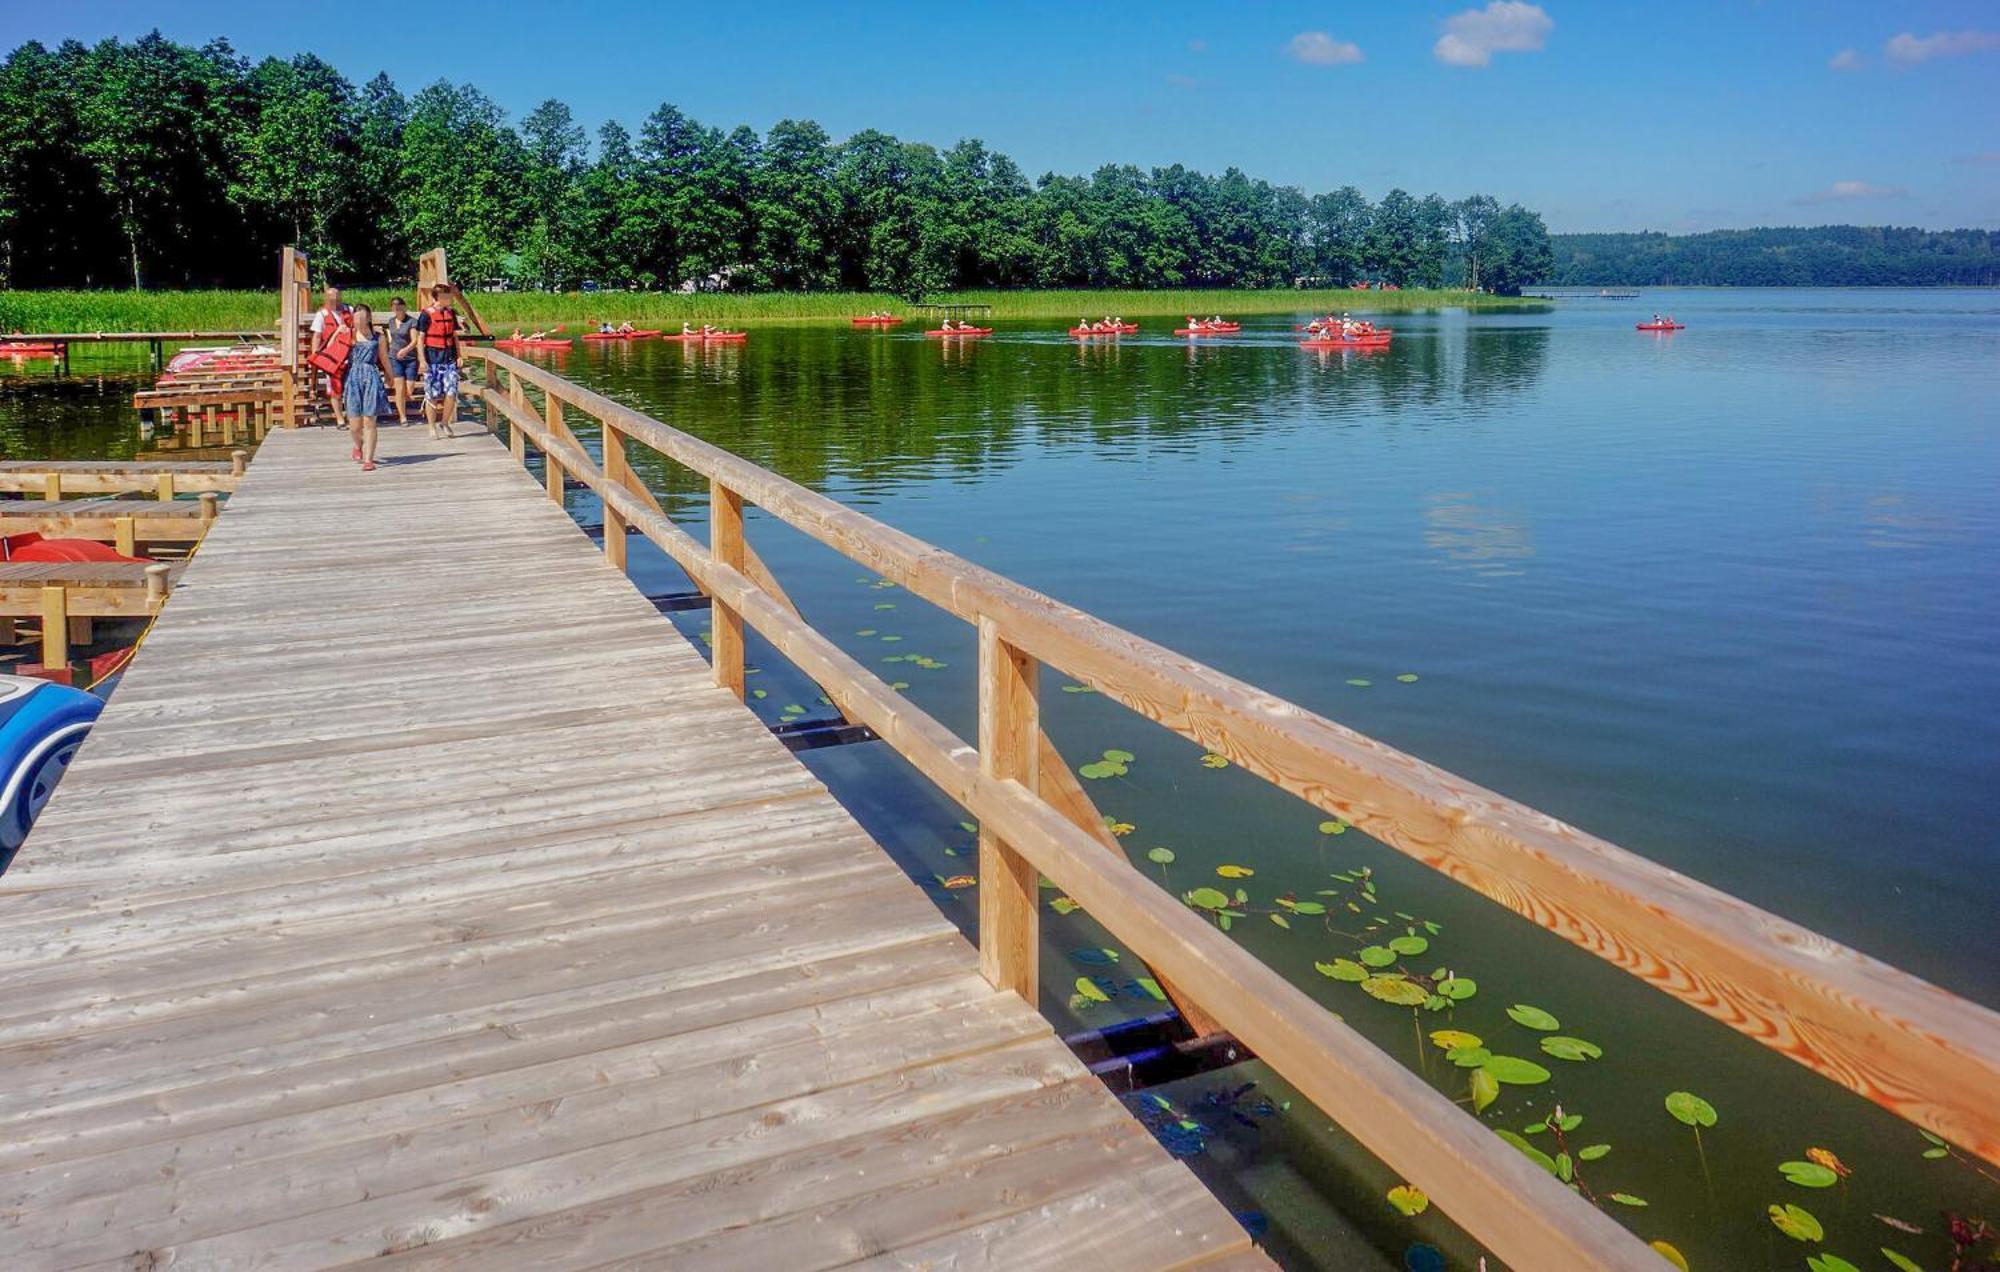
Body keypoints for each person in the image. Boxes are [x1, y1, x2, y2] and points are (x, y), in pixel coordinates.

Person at [343, 305, 394, 471]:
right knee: (355, 425)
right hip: (353, 378)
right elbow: (330, 349)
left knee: (370, 421)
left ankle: (368, 459)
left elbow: (384, 358)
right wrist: (338, 333)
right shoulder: (349, 334)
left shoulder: (378, 337)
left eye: (363, 318)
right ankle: (358, 445)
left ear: (369, 318)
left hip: (371, 376)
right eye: (357, 318)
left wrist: (390, 376)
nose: (359, 321)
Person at [414, 283, 462, 440]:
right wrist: (422, 360)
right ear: (438, 298)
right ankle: (431, 426)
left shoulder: (451, 313)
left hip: (448, 358)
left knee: (451, 392)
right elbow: (420, 339)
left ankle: (445, 422)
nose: (449, 299)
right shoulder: (426, 315)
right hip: (432, 358)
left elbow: (454, 336)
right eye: (446, 296)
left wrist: (459, 355)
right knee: (432, 395)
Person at [308, 285, 353, 432]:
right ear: (326, 299)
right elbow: (317, 336)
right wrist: (315, 355)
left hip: (350, 354)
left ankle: (352, 415)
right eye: (332, 299)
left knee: (351, 386)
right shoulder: (321, 315)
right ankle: (339, 419)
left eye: (337, 298)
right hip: (332, 357)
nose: (335, 301)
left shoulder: (349, 310)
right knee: (335, 388)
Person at [385, 297, 418, 425]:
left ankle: (402, 405)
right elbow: (391, 338)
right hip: (395, 357)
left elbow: (414, 340)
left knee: (408, 390)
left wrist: (405, 350)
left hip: (410, 358)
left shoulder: (412, 322)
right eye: (394, 307)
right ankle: (402, 416)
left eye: (399, 306)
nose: (397, 309)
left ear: (404, 307)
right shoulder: (391, 321)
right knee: (399, 388)